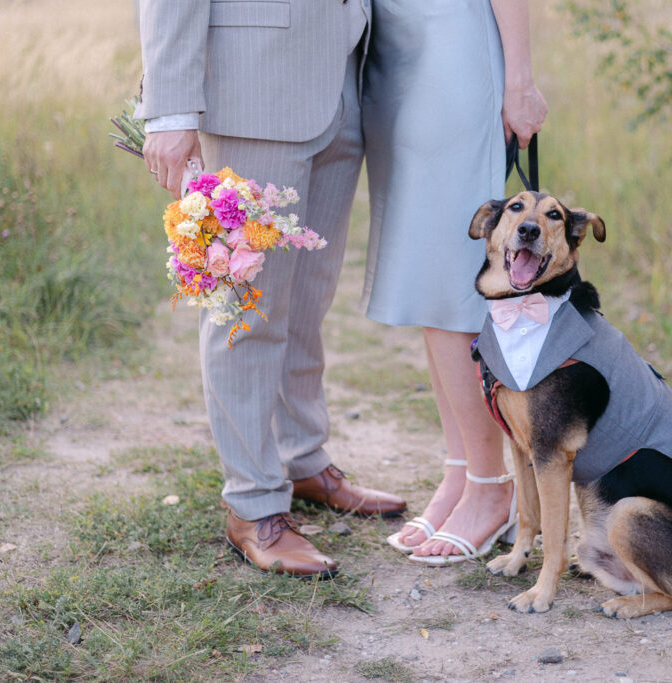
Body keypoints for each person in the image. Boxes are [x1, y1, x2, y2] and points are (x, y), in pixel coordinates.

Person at [135, 0, 406, 578]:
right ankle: (253, 505)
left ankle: (302, 458)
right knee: (246, 308)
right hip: (252, 84)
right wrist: (170, 108)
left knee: (307, 298)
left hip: (345, 80)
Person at [362, 0, 547, 563]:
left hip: (453, 50)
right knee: (425, 277)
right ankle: (463, 471)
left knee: (449, 283)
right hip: (396, 53)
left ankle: (493, 489)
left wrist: (519, 80)